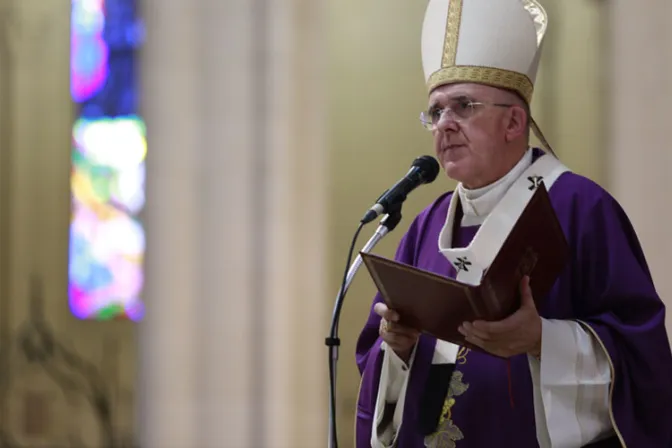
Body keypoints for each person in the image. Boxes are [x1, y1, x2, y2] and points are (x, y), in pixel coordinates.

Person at [354, 0, 672, 447]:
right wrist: (398, 346)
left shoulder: (580, 208)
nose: (443, 125)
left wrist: (544, 339)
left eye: (462, 106)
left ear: (514, 121)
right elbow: (378, 361)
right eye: (435, 111)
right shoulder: (424, 227)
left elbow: (644, 363)